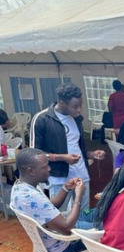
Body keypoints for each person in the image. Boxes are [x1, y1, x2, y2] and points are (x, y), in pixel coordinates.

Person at [11, 148, 94, 252]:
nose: (49, 169)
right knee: (105, 228)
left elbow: (49, 207)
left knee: (97, 214)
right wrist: (78, 197)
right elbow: (67, 228)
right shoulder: (32, 197)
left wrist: (66, 188)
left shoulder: (21, 188)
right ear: (31, 171)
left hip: (51, 237)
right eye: (45, 167)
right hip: (63, 245)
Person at [31, 83, 107, 212]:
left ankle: (81, 232)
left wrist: (91, 154)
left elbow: (76, 148)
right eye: (75, 106)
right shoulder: (42, 119)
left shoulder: (77, 119)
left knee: (83, 213)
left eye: (80, 106)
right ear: (62, 103)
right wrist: (62, 158)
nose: (79, 110)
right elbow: (33, 154)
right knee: (61, 215)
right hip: (59, 177)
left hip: (81, 175)